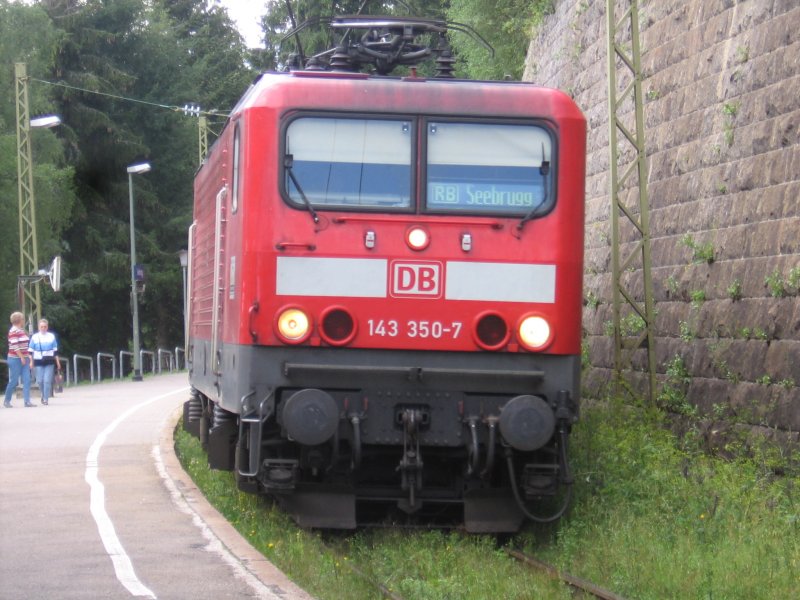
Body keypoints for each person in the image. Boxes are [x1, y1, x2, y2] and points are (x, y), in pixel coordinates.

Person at [29, 318, 61, 406]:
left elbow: (55, 351)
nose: (43, 328)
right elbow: (30, 351)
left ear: (47, 327)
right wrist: (31, 362)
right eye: (41, 327)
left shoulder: (51, 336)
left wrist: (58, 362)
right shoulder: (35, 337)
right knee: (39, 380)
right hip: (38, 361)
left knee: (47, 380)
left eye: (45, 326)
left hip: (49, 360)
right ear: (39, 327)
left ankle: (46, 398)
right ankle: (43, 394)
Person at [4, 312, 34, 408]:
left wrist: (27, 356)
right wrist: (21, 357)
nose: (23, 320)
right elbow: (15, 346)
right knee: (14, 380)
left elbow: (25, 345)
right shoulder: (13, 331)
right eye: (22, 319)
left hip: (24, 358)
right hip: (15, 358)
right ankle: (7, 400)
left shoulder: (20, 330)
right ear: (19, 320)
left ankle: (27, 401)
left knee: (27, 379)